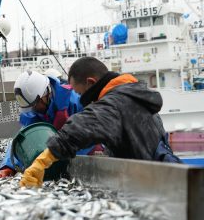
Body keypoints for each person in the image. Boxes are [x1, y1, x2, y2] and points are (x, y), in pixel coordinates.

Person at [20, 56, 181, 187]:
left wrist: (42, 162)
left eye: (79, 93)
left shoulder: (117, 101)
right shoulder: (131, 92)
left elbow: (83, 126)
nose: (81, 100)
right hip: (160, 174)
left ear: (91, 82)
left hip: (155, 183)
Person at [0, 70, 98, 178]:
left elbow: (94, 131)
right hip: (55, 161)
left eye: (35, 105)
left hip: (87, 156)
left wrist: (66, 160)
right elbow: (22, 138)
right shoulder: (34, 113)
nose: (34, 110)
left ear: (46, 94)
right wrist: (8, 167)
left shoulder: (75, 101)